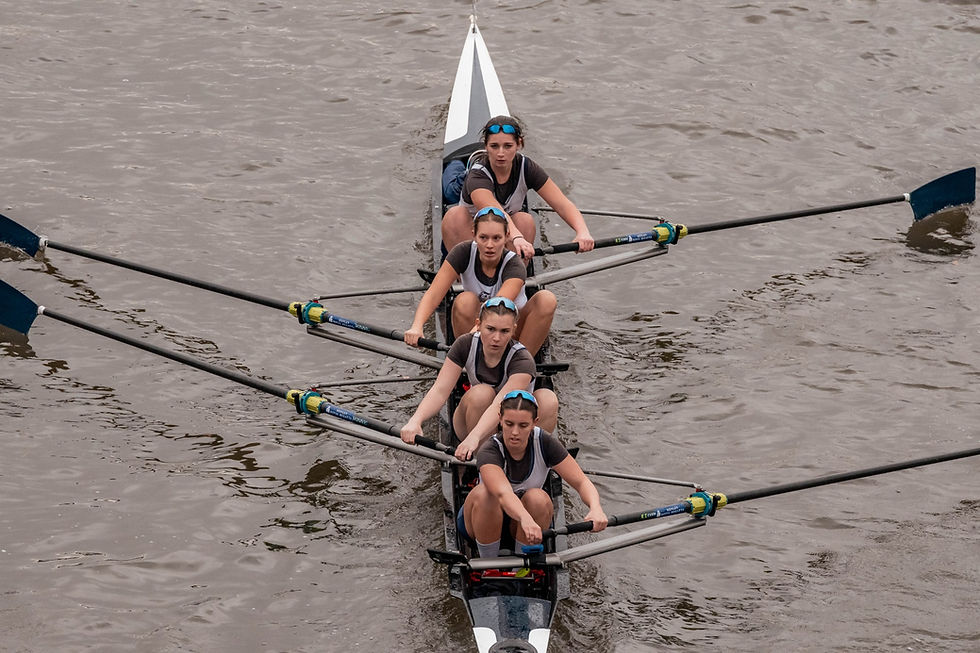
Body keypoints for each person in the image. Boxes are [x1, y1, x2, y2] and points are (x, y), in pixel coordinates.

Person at [400, 297, 558, 461]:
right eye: (490, 329)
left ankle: (529, 459)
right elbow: (440, 390)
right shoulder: (464, 344)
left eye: (504, 331)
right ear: (478, 324)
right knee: (482, 393)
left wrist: (475, 436)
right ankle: (485, 462)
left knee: (548, 399)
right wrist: (415, 421)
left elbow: (500, 403)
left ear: (514, 330)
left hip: (515, 426)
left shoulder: (523, 360)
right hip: (472, 421)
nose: (496, 338)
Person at [460, 390, 608, 559]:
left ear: (534, 423)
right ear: (500, 419)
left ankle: (522, 565)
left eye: (523, 425)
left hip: (527, 525)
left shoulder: (545, 442)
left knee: (538, 498)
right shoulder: (490, 450)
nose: (515, 432)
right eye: (509, 424)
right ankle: (488, 564)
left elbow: (581, 481)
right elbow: (503, 494)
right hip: (482, 522)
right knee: (486, 494)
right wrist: (525, 518)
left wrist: (595, 508)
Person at [404, 207, 556, 356]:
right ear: (474, 235)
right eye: (483, 237)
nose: (490, 245)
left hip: (510, 330)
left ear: (507, 236)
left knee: (546, 299)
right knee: (464, 301)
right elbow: (434, 293)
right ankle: (472, 359)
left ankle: (521, 364)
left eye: (496, 238)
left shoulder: (514, 265)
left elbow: (495, 308)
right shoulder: (462, 252)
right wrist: (417, 326)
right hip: (480, 330)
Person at [441, 115, 595, 262]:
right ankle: (456, 163)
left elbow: (562, 204)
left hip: (502, 234)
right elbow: (495, 210)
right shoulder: (477, 176)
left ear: (519, 144)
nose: (501, 153)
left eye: (508, 146)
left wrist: (582, 232)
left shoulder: (528, 168)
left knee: (525, 220)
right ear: (486, 147)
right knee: (454, 211)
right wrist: (517, 238)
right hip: (471, 227)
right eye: (494, 146)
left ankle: (512, 276)